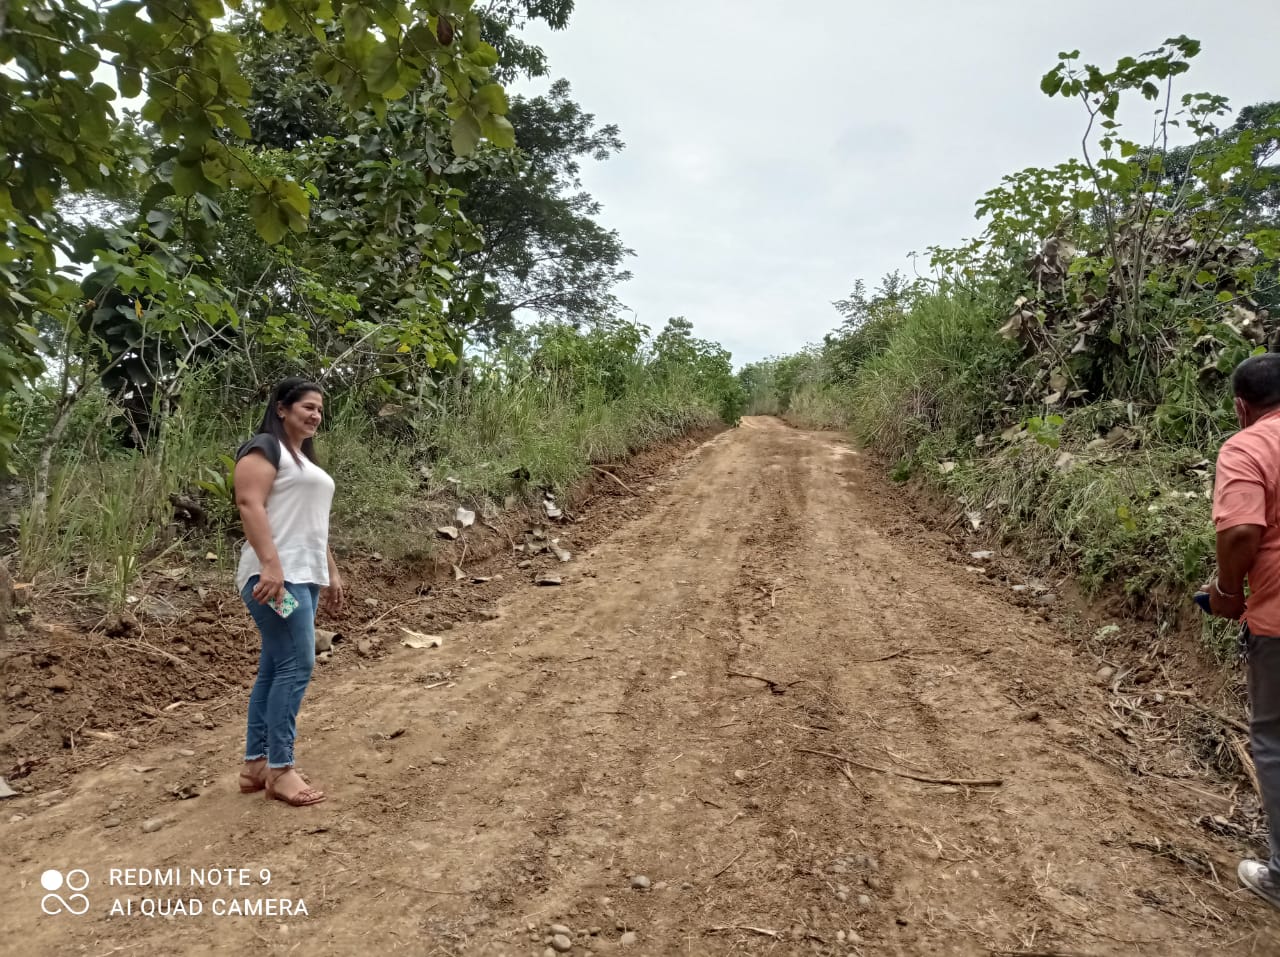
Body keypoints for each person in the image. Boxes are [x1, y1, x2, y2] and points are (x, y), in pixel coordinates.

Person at [233, 378, 344, 807]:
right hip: (274, 578)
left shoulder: (304, 460)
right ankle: (280, 769)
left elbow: (313, 524)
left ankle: (256, 765)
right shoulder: (265, 448)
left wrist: (330, 571)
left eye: (320, 410)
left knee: (275, 666)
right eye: (308, 407)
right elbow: (249, 504)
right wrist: (270, 564)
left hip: (303, 576)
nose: (316, 415)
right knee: (297, 664)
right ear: (282, 408)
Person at [1205, 352, 1280, 908]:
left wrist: (1228, 593)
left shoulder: (1248, 446)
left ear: (1240, 407)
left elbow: (1239, 533)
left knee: (1275, 741)